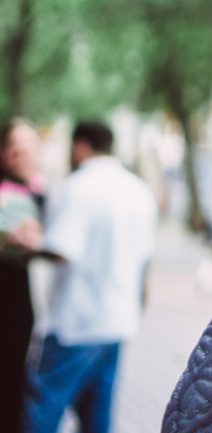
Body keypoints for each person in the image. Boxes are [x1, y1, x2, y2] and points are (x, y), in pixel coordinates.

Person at [18, 120, 157, 433]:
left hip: (75, 324)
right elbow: (145, 261)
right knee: (97, 418)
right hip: (117, 322)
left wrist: (24, 247)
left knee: (42, 410)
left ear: (80, 146)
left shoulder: (78, 187)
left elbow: (61, 249)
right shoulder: (138, 191)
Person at [0, 122, 45, 433]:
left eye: (28, 144)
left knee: (18, 372)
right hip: (6, 296)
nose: (21, 151)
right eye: (14, 144)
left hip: (26, 298)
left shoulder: (41, 191)